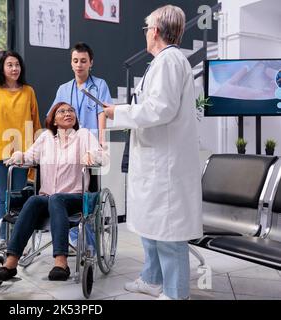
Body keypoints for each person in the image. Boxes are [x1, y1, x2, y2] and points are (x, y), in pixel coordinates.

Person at [103, 5, 202, 300]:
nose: (145, 33)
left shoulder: (170, 61)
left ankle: (175, 293)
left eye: (147, 28)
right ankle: (152, 279)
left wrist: (117, 112)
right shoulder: (161, 62)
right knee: (152, 227)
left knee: (169, 234)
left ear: (156, 31)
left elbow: (161, 109)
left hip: (166, 166)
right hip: (155, 160)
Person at [0, 102, 106, 282]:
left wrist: (92, 156)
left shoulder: (83, 135)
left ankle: (61, 262)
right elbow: (30, 156)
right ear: (53, 120)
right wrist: (19, 156)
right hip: (48, 197)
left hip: (75, 196)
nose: (68, 113)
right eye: (62, 111)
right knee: (35, 200)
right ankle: (10, 264)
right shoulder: (45, 138)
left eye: (71, 111)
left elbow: (100, 154)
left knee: (57, 198)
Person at [0, 50, 41, 243]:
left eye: (17, 64)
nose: (15, 68)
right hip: (1, 151)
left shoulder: (28, 91)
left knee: (20, 197)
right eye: (10, 65)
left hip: (24, 152)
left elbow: (36, 121)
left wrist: (39, 149)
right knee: (3, 197)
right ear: (2, 67)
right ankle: (4, 238)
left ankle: (17, 239)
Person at [50, 42, 112, 145]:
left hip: (92, 142)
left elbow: (102, 113)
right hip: (68, 143)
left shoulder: (100, 85)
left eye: (83, 61)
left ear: (90, 63)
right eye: (75, 61)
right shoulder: (63, 89)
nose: (79, 65)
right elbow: (54, 116)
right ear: (71, 63)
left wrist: (102, 142)